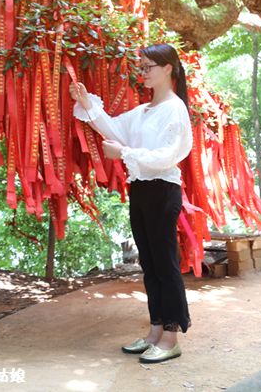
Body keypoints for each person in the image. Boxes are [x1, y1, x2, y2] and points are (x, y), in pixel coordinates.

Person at [69, 43, 192, 363]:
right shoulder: (144, 110)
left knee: (165, 265)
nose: (143, 73)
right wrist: (85, 101)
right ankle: (155, 331)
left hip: (163, 191)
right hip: (141, 190)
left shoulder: (174, 109)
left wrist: (124, 154)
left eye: (147, 67)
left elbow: (166, 157)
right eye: (141, 67)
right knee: (149, 265)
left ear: (167, 69)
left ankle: (171, 338)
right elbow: (113, 128)